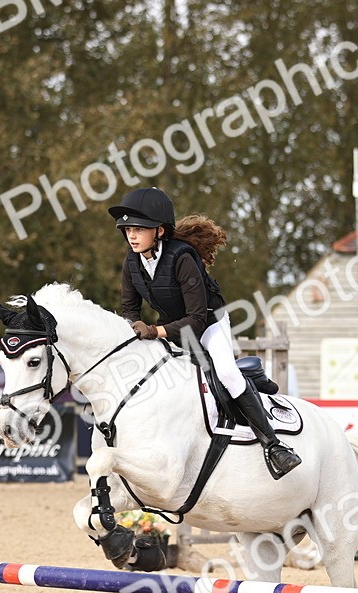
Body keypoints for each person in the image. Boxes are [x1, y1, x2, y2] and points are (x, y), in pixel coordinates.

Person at [110, 186, 301, 478]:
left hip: (209, 324)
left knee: (226, 373)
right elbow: (129, 309)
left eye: (139, 229)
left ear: (159, 231)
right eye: (127, 230)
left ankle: (274, 445)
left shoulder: (182, 259)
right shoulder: (131, 262)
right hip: (172, 328)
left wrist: (154, 330)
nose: (131, 236)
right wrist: (134, 330)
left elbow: (197, 320)